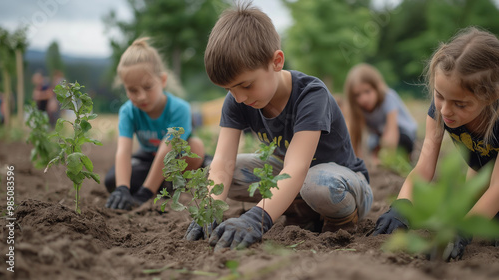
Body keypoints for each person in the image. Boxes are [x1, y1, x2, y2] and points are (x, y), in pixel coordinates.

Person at [185, 2, 372, 251]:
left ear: (276, 61)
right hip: (294, 179)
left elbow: (296, 167)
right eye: (230, 89)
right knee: (228, 174)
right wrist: (209, 210)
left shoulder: (311, 94)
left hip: (342, 185)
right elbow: (222, 163)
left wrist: (257, 218)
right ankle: (301, 211)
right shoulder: (238, 99)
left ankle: (340, 220)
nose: (238, 97)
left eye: (246, 85)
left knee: (316, 183)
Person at [372, 27, 499, 260]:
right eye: (439, 96)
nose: (445, 110)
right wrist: (402, 206)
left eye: (460, 104)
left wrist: (462, 230)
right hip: (481, 171)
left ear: (491, 96)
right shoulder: (442, 110)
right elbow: (424, 167)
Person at [104, 38, 206, 210]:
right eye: (132, 90)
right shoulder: (128, 111)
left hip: (177, 159)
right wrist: (122, 188)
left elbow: (167, 151)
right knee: (112, 181)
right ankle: (164, 185)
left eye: (148, 87)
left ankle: (166, 184)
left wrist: (145, 193)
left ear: (163, 80)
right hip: (148, 157)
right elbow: (123, 152)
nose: (141, 96)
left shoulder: (180, 108)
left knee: (196, 147)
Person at [345, 63, 417, 164]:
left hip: (403, 132)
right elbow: (355, 135)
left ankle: (403, 157)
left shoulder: (388, 97)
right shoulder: (358, 108)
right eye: (357, 95)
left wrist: (388, 154)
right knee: (372, 142)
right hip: (380, 135)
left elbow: (392, 130)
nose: (363, 99)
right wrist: (355, 160)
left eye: (367, 91)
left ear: (377, 88)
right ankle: (380, 158)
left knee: (401, 141)